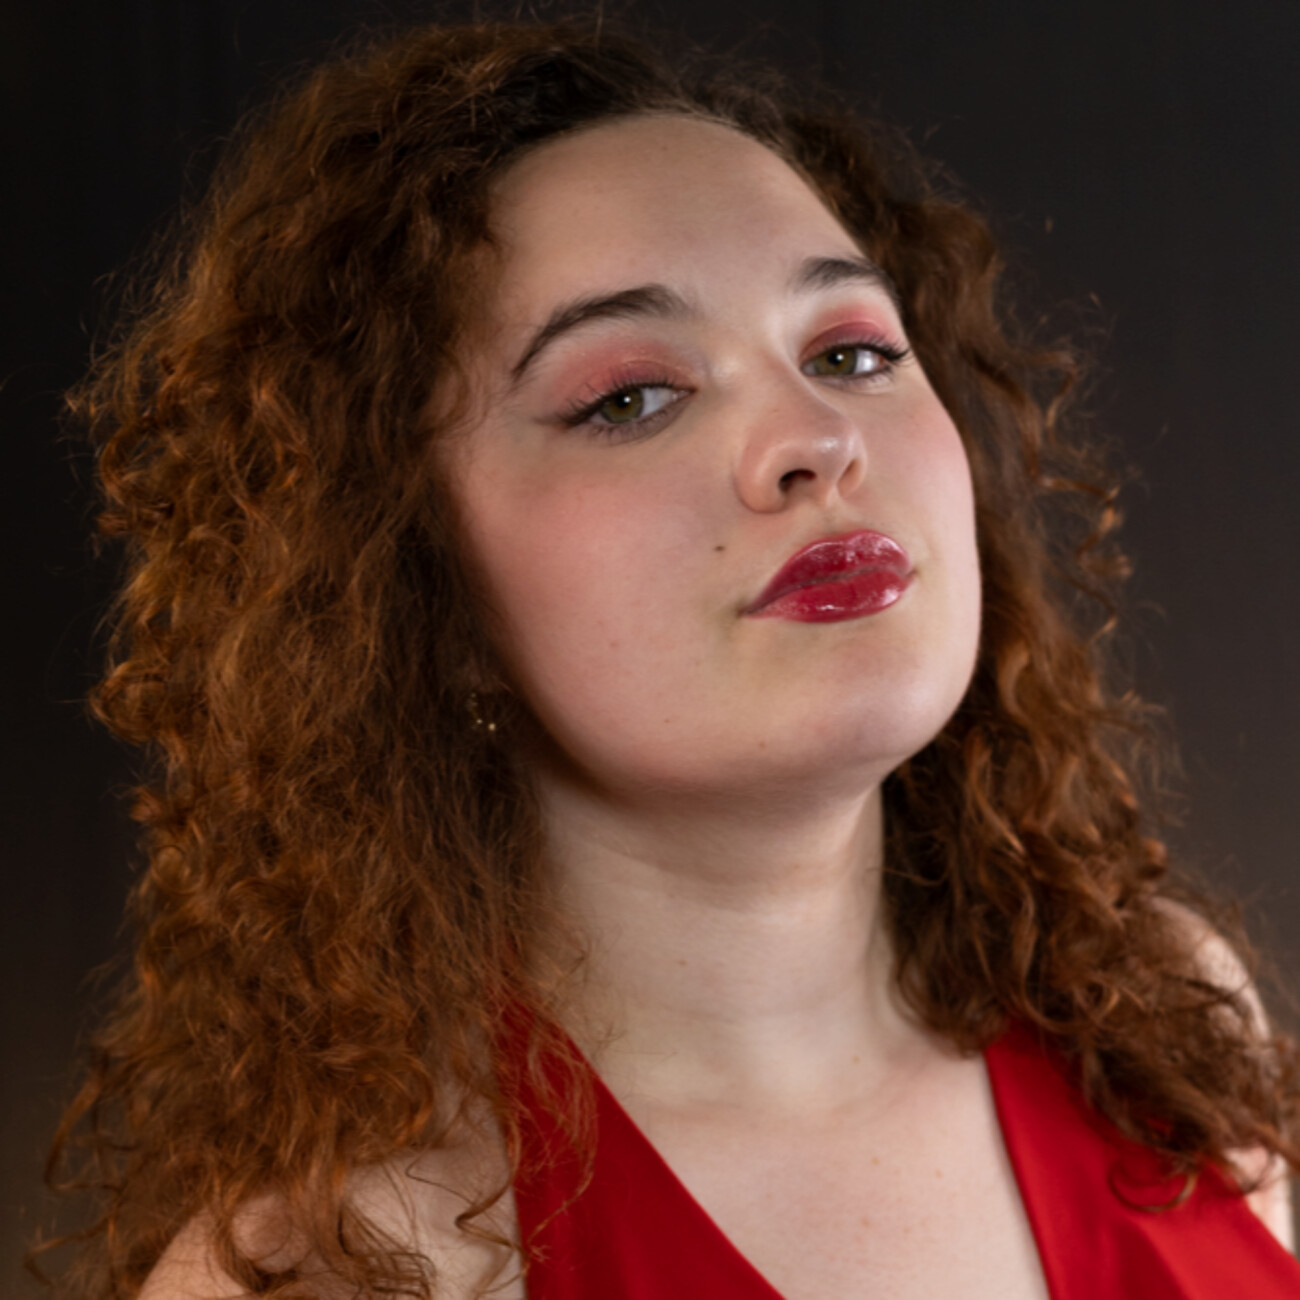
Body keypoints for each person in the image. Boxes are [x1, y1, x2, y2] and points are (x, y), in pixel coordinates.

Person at [39, 15, 1300, 1300]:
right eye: (631, 396)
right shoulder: (358, 1269)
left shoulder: (1155, 1026)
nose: (816, 436)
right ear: (416, 591)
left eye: (852, 352)